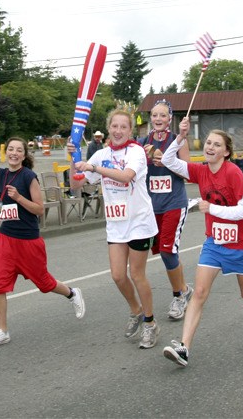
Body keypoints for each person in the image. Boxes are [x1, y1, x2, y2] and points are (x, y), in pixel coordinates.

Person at [160, 118, 243, 367]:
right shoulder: (200, 170)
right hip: (214, 243)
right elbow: (169, 161)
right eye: (208, 143)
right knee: (199, 293)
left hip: (241, 244)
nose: (210, 147)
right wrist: (179, 137)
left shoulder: (232, 172)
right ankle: (184, 348)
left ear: (226, 151)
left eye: (216, 144)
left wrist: (212, 208)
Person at [0, 122, 85, 349]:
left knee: (44, 283)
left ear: (24, 155)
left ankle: (71, 293)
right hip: (5, 239)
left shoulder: (29, 176)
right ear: (6, 152)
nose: (14, 153)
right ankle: (2, 331)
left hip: (28, 240)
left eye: (19, 150)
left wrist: (19, 198)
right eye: (11, 149)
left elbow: (40, 209)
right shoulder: (1, 174)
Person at [68, 110, 160, 349]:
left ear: (130, 130)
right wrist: (73, 158)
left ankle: (150, 323)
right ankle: (136, 311)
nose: (118, 131)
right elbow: (76, 183)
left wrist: (95, 169)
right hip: (117, 224)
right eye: (114, 126)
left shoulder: (137, 152)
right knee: (118, 275)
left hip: (139, 223)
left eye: (123, 127)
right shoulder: (101, 154)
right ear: (108, 129)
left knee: (137, 275)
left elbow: (126, 177)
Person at [138, 99, 194, 320]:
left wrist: (168, 161)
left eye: (163, 115)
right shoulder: (143, 142)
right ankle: (185, 290)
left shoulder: (178, 141)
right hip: (152, 206)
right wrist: (147, 157)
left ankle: (178, 296)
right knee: (164, 251)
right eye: (155, 115)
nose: (158, 119)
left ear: (170, 118)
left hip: (174, 203)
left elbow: (189, 173)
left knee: (168, 250)